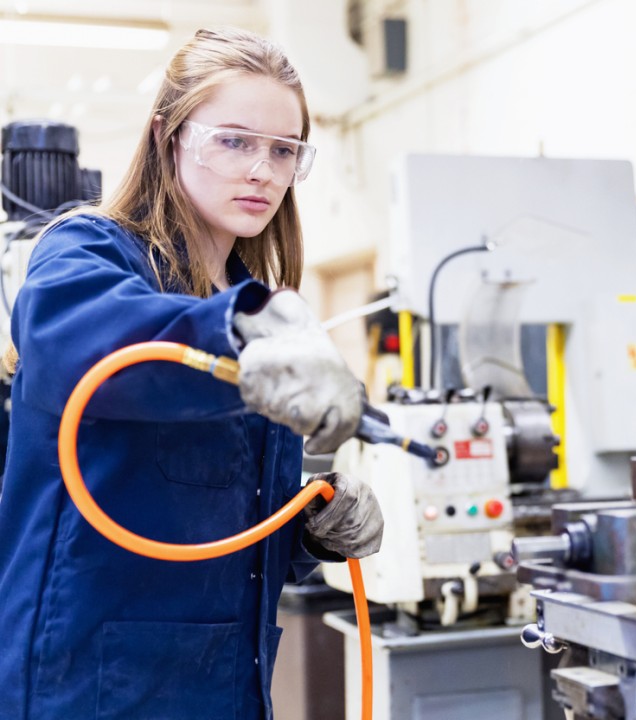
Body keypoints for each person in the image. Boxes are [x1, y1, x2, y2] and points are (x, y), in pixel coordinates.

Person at [0, 27, 382, 720]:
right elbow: (94, 352)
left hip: (226, 684)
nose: (262, 170)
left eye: (283, 150)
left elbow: (211, 514)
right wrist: (237, 334)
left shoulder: (248, 305)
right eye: (233, 140)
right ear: (166, 137)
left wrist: (305, 533)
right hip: (87, 686)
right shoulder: (86, 254)